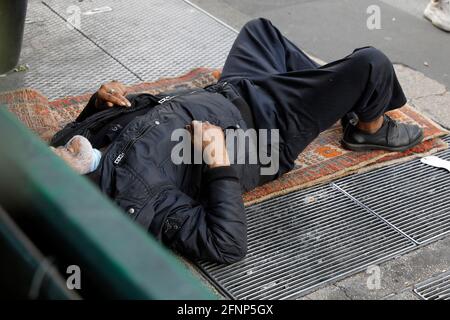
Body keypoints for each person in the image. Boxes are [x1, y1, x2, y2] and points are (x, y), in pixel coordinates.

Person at [51, 18, 423, 264]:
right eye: (53, 162)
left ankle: (335, 94)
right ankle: (369, 128)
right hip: (264, 129)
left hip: (230, 90)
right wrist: (218, 160)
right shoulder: (137, 203)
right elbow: (227, 245)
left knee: (260, 31)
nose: (53, 150)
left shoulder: (77, 144)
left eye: (50, 154)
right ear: (71, 192)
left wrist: (98, 103)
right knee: (371, 62)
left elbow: (76, 130)